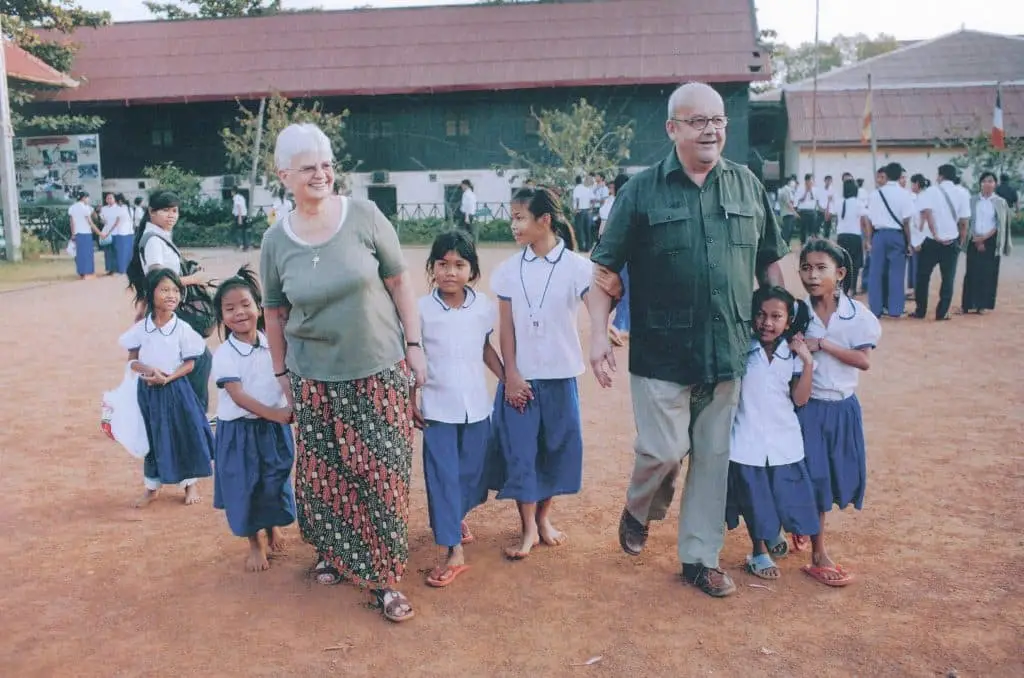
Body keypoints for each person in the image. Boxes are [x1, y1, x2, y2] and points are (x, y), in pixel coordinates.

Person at [589, 82, 787, 598]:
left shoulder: (746, 186)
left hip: (728, 349)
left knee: (712, 457)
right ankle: (640, 507)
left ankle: (700, 558)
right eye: (698, 121)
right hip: (660, 352)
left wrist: (782, 327)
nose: (711, 130)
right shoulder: (641, 192)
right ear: (672, 129)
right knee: (662, 450)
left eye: (718, 120)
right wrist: (596, 336)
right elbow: (605, 272)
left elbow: (769, 263)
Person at [260, 123, 424, 623]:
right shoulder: (274, 240)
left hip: (376, 369)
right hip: (312, 377)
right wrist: (282, 373)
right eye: (308, 167)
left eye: (327, 165)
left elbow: (399, 284)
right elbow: (274, 312)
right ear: (284, 174)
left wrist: (414, 347)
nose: (321, 174)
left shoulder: (366, 216)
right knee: (324, 474)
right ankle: (334, 552)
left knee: (383, 474)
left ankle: (385, 577)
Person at [490, 186, 593, 561]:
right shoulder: (507, 271)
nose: (513, 225)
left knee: (555, 450)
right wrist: (511, 376)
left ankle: (544, 519)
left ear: (544, 220)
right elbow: (505, 330)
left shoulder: (578, 266)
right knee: (522, 453)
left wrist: (604, 330)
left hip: (561, 377)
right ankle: (528, 527)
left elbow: (595, 301)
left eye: (519, 218)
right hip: (522, 381)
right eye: (512, 218)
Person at [412, 230, 504, 587]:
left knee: (473, 475)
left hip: (476, 408)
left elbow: (485, 348)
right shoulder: (420, 310)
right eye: (443, 264)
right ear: (432, 269)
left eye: (459, 265)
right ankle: (453, 550)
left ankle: (455, 517)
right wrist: (409, 400)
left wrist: (508, 377)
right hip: (437, 409)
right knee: (442, 479)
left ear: (472, 271)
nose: (450, 272)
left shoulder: (482, 307)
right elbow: (410, 358)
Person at [795, 239, 881, 586]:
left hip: (843, 408)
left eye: (821, 268)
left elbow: (863, 360)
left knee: (834, 475)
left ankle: (804, 526)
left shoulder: (857, 316)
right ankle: (818, 552)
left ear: (840, 273)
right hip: (808, 407)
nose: (812, 276)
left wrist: (823, 345)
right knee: (812, 477)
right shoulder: (797, 312)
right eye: (806, 268)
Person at [726, 285, 818, 581]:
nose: (767, 322)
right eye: (761, 315)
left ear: (788, 321)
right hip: (746, 440)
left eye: (776, 316)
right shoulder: (742, 350)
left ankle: (773, 532)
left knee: (784, 495)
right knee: (754, 499)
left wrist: (807, 363)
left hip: (783, 441)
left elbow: (800, 399)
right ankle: (758, 552)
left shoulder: (790, 355)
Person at [211, 266, 297, 573]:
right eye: (230, 308)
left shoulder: (274, 342)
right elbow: (237, 395)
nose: (239, 313)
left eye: (245, 305)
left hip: (273, 430)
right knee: (245, 487)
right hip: (240, 432)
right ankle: (254, 543)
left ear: (258, 308)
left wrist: (285, 410)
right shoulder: (224, 355)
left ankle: (273, 527)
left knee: (274, 479)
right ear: (221, 317)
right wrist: (276, 414)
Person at [119, 268, 214, 508]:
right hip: (148, 392)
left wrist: (168, 378)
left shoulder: (182, 329)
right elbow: (132, 360)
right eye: (164, 290)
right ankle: (152, 487)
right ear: (150, 295)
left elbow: (191, 363)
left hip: (176, 390)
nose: (171, 295)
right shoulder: (142, 328)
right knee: (152, 436)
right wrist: (148, 371)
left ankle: (189, 484)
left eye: (175, 290)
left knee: (182, 434)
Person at [126, 190, 216, 411]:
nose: (171, 215)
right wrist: (194, 279)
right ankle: (195, 413)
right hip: (166, 312)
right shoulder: (154, 241)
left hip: (164, 310)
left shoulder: (158, 236)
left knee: (180, 361)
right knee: (198, 360)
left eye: (174, 210)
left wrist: (142, 310)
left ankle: (185, 412)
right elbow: (155, 279)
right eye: (165, 210)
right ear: (151, 212)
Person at [914, 164, 969, 321]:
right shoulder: (963, 193)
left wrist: (935, 234)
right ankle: (942, 312)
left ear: (940, 176)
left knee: (923, 276)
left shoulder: (930, 192)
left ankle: (921, 310)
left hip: (931, 241)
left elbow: (926, 214)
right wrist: (960, 242)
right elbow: (964, 222)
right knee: (948, 278)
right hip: (952, 242)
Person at [865, 162, 914, 318]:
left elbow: (869, 220)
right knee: (897, 274)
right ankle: (895, 309)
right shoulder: (905, 194)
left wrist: (869, 239)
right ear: (900, 176)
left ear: (885, 175)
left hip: (879, 235)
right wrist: (909, 242)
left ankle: (876, 308)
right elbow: (906, 222)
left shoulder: (875, 194)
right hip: (897, 235)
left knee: (876, 273)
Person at [961, 171, 1013, 314]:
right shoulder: (973, 200)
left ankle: (982, 305)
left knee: (988, 273)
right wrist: (976, 239)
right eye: (984, 181)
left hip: (991, 242)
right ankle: (967, 304)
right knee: (971, 272)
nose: (987, 184)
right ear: (980, 183)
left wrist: (984, 239)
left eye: (990, 181)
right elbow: (968, 220)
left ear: (995, 184)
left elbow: (1000, 224)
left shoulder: (1000, 202)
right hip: (973, 239)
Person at [598, 174, 630, 345]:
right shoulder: (633, 202)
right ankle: (621, 327)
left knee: (618, 291)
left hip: (614, 253)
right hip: (630, 253)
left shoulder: (610, 203)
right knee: (627, 290)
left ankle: (618, 326)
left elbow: (602, 231)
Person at [835, 179, 866, 295]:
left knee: (843, 263)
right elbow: (864, 221)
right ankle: (852, 288)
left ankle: (842, 286)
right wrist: (867, 238)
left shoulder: (839, 202)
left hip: (842, 236)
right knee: (855, 264)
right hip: (855, 236)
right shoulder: (858, 203)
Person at [907, 174, 931, 299]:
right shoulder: (917, 197)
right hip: (915, 237)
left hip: (920, 238)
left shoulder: (922, 198)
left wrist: (919, 239)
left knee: (919, 267)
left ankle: (918, 292)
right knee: (915, 265)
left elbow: (923, 219)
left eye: (912, 184)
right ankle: (915, 289)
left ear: (917, 184)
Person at [68, 192, 101, 278]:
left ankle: (81, 273)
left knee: (79, 254)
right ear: (84, 198)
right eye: (88, 198)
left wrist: (73, 234)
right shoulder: (85, 208)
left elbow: (71, 223)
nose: (88, 200)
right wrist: (99, 233)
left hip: (77, 233)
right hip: (86, 233)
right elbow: (91, 223)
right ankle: (88, 273)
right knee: (87, 254)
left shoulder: (72, 207)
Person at [795, 174, 825, 243]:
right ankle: (802, 243)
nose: (810, 182)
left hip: (812, 211)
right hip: (803, 211)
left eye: (811, 180)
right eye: (809, 180)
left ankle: (812, 244)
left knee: (813, 229)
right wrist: (806, 191)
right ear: (806, 181)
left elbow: (816, 200)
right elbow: (800, 200)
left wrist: (811, 191)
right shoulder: (800, 189)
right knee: (803, 229)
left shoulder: (816, 189)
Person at [98, 193, 121, 276]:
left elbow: (118, 221)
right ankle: (110, 269)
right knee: (107, 251)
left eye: (111, 198)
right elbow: (102, 220)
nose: (109, 200)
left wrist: (110, 231)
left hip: (116, 231)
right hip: (106, 231)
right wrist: (103, 221)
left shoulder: (118, 208)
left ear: (114, 199)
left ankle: (117, 269)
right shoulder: (104, 209)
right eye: (108, 198)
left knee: (116, 250)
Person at [571, 175, 594, 250]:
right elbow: (592, 199)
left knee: (579, 229)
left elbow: (577, 199)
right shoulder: (586, 188)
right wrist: (591, 208)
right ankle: (588, 247)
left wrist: (576, 209)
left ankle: (581, 247)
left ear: (576, 181)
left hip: (580, 211)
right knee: (587, 229)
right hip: (587, 210)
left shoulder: (576, 188)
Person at [778, 175, 798, 244]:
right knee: (787, 231)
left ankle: (786, 245)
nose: (794, 183)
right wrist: (795, 212)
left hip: (789, 213)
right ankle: (784, 245)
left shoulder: (789, 190)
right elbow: (788, 203)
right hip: (787, 213)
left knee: (789, 231)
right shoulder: (785, 190)